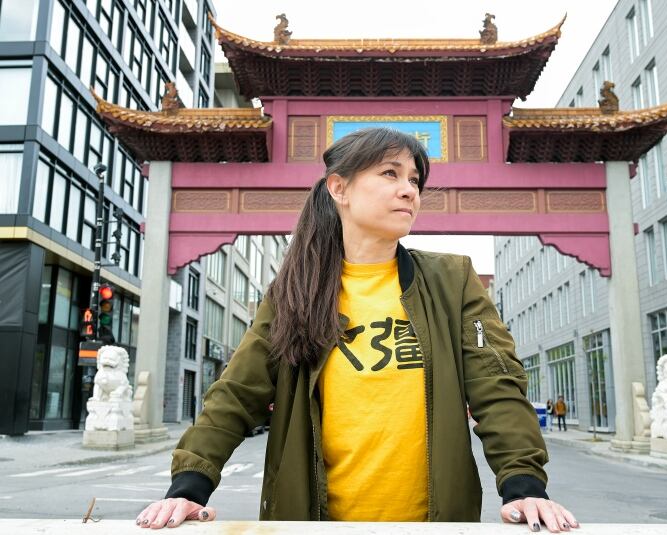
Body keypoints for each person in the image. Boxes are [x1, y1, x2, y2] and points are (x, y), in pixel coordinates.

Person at [135, 128, 579, 532]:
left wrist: (523, 485)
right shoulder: (294, 292)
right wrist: (188, 488)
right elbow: (236, 394)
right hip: (314, 523)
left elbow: (496, 383)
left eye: (415, 181)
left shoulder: (453, 281)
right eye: (391, 173)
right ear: (339, 187)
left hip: (434, 523)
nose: (409, 191)